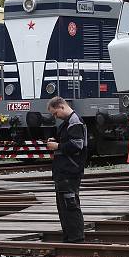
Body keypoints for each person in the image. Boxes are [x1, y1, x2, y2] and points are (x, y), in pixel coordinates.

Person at [45, 96, 86, 243]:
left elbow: (76, 145)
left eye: (56, 113)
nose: (56, 117)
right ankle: (69, 238)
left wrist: (57, 146)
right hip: (63, 171)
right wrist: (57, 142)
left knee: (70, 205)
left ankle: (76, 239)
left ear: (62, 106)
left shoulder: (74, 122)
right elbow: (69, 142)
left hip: (70, 170)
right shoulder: (67, 123)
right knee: (63, 207)